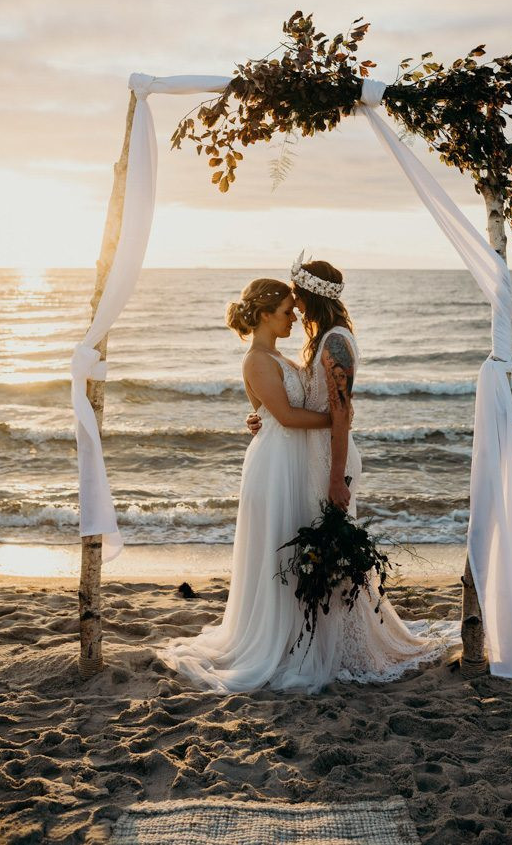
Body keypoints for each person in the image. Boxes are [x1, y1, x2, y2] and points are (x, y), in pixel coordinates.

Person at [247, 255, 460, 685]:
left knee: (335, 554)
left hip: (330, 459)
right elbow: (316, 407)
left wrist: (335, 475)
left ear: (312, 297)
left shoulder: (336, 343)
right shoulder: (325, 340)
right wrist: (267, 417)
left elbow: (341, 413)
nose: (297, 309)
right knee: (319, 551)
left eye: (299, 301)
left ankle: (346, 645)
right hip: (316, 456)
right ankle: (320, 640)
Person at [157, 277, 347, 692]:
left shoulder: (278, 356)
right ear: (263, 315)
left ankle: (300, 633)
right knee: (278, 548)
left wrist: (268, 418)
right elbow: (290, 417)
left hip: (292, 462)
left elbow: (273, 414)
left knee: (295, 545)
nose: (294, 318)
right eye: (286, 312)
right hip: (275, 466)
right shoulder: (257, 360)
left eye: (296, 312)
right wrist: (339, 421)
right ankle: (275, 640)